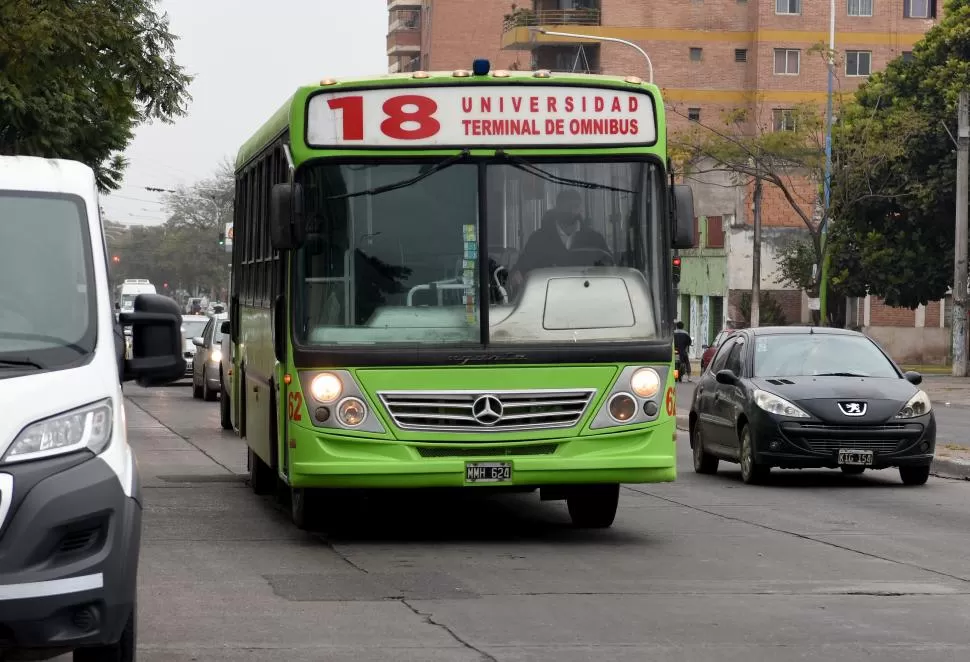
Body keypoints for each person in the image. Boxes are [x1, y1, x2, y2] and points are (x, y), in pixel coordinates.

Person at [508, 189, 610, 292]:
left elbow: (609, 269)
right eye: (566, 206)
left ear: (581, 209)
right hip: (547, 299)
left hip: (588, 296)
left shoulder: (594, 239)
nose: (570, 211)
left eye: (575, 206)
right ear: (557, 209)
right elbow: (522, 268)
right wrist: (516, 274)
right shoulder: (538, 239)